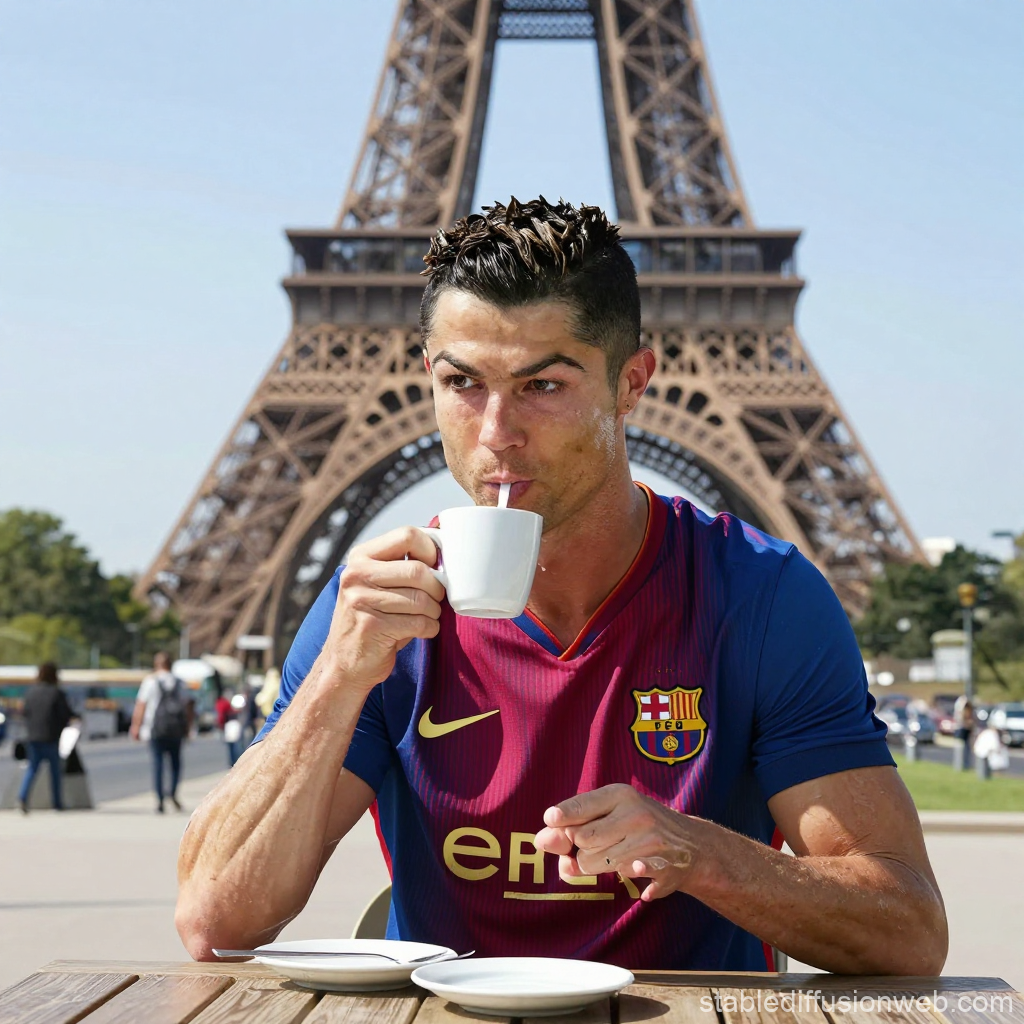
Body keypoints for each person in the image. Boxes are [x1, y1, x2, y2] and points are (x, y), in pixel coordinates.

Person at [176, 198, 947, 974]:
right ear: (428, 381)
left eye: (543, 385)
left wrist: (700, 852)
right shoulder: (377, 607)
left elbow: (909, 932)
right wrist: (338, 680)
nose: (495, 431)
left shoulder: (764, 597)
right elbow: (214, 920)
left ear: (632, 382)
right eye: (464, 382)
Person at [131, 651, 193, 813]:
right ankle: (172, 792)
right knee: (175, 764)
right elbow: (188, 707)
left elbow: (141, 705)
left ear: (156, 664)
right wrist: (187, 728)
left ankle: (159, 799)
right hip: (175, 730)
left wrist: (136, 726)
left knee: (157, 764)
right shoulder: (179, 682)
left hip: (155, 729)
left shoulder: (150, 682)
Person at [18, 662, 73, 812]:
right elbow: (65, 714)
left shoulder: (30, 693)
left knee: (32, 769)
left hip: (33, 736)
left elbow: (24, 713)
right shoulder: (56, 693)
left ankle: (23, 796)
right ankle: (57, 802)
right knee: (55, 771)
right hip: (50, 736)